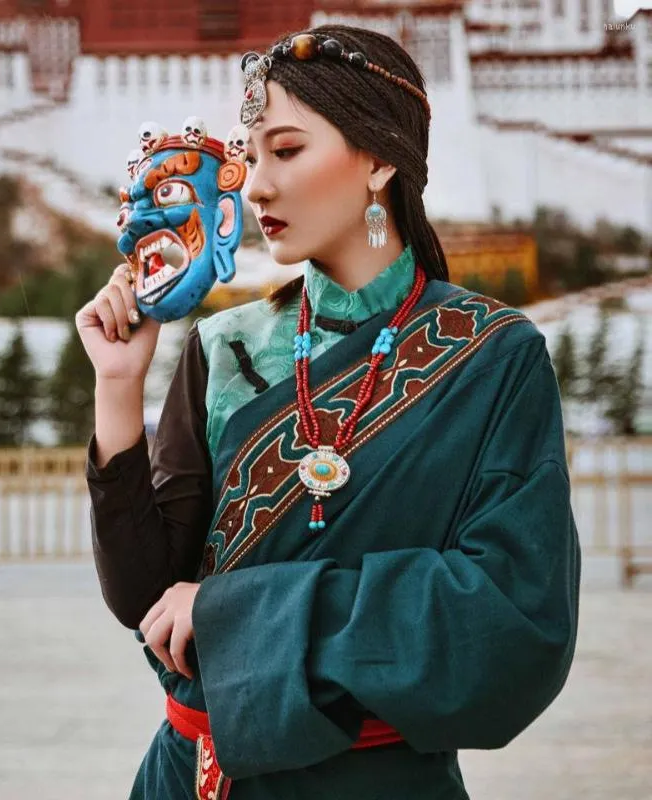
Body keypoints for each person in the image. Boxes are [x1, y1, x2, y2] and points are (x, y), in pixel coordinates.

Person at [78, 23, 581, 800]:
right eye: (254, 156)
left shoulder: (490, 356)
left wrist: (235, 611)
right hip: (192, 777)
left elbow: (513, 619)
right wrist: (119, 388)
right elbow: (151, 602)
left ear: (380, 159)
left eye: (287, 150)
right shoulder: (226, 346)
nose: (256, 187)